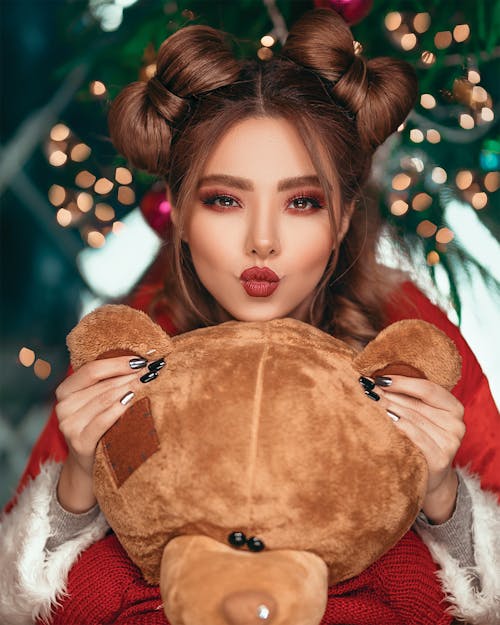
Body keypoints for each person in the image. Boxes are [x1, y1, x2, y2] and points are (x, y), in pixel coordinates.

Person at [1, 8, 499, 625]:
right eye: (225, 199)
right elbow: (26, 602)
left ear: (342, 218)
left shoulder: (410, 337)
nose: (262, 241)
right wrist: (77, 482)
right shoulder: (127, 342)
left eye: (302, 202)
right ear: (179, 211)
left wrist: (444, 500)